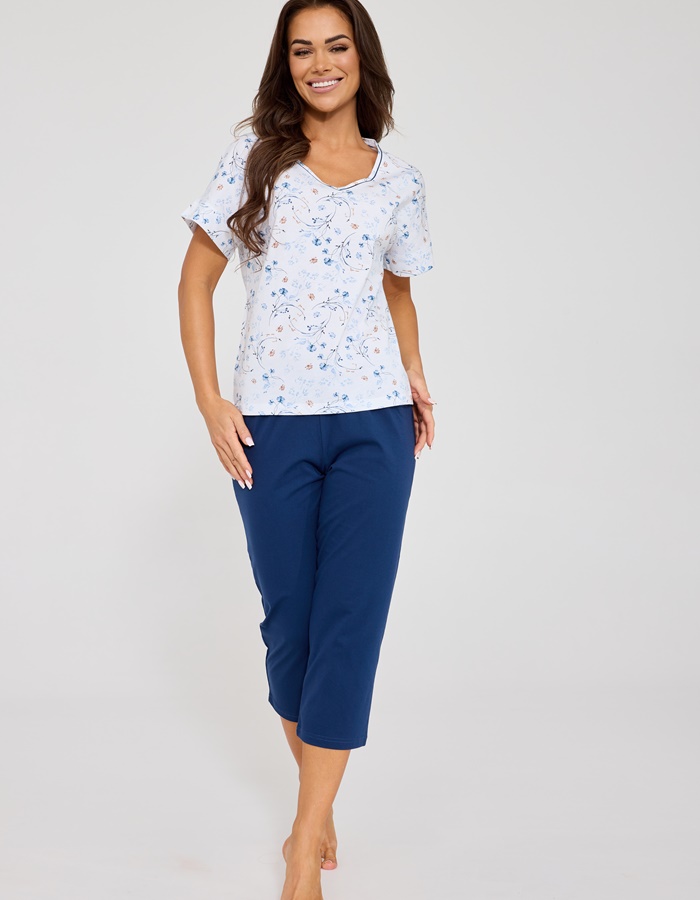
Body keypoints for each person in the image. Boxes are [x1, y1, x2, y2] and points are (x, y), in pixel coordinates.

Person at [178, 1, 436, 896]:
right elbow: (196, 281)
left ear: (362, 58)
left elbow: (396, 290)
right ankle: (318, 804)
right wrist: (209, 400)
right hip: (272, 424)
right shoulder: (255, 158)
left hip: (375, 422)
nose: (320, 63)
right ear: (285, 64)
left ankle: (301, 842)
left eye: (335, 46)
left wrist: (414, 370)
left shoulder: (399, 181)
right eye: (301, 50)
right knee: (290, 628)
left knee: (349, 624)